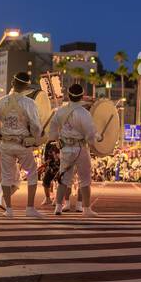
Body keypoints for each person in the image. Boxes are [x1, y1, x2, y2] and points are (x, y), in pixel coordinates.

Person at [0, 71, 45, 219]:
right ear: (26, 87)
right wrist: (35, 137)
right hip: (23, 144)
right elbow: (36, 126)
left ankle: (9, 210)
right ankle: (30, 208)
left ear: (12, 83)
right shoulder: (29, 103)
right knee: (32, 173)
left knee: (7, 177)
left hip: (6, 144)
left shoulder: (0, 102)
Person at [47, 83, 100, 217]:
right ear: (81, 96)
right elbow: (90, 133)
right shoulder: (84, 113)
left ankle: (58, 207)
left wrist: (56, 139)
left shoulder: (60, 111)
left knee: (64, 178)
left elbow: (52, 128)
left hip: (65, 148)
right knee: (85, 179)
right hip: (80, 148)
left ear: (68, 95)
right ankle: (86, 209)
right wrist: (97, 139)